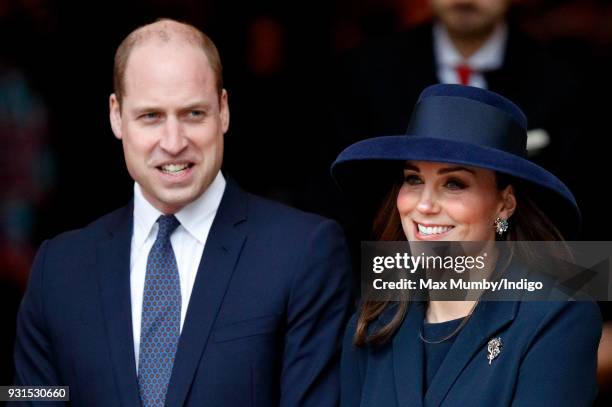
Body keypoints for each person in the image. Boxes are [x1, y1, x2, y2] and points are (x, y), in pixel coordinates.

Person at [13, 19, 352, 407]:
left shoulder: (304, 252)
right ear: (116, 116)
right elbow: (30, 397)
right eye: (151, 116)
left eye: (193, 113)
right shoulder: (56, 268)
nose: (173, 143)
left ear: (223, 111)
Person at [332, 84, 601, 406]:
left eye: (454, 184)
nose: (425, 205)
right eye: (413, 179)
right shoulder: (376, 313)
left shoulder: (559, 313)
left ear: (505, 204)